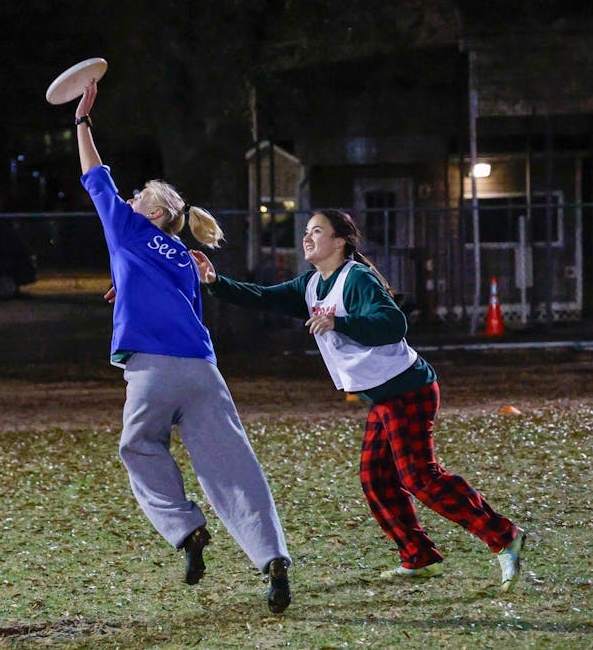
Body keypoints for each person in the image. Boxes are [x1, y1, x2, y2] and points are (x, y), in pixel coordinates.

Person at [191, 209, 526, 592]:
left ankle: (504, 536)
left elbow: (393, 324)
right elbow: (266, 297)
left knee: (419, 477)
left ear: (340, 241)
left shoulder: (358, 279)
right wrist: (215, 281)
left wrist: (339, 322)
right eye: (306, 231)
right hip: (385, 396)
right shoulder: (314, 284)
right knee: (376, 478)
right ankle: (419, 557)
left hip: (407, 389)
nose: (307, 237)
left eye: (317, 231)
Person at [73, 79, 292, 613]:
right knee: (233, 466)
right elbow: (164, 293)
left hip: (151, 369)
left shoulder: (125, 226)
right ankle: (273, 559)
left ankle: (187, 530)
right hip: (202, 368)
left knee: (140, 447)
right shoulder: (182, 253)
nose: (125, 200)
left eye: (134, 199)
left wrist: (81, 122)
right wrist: (125, 286)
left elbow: (92, 173)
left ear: (149, 211)